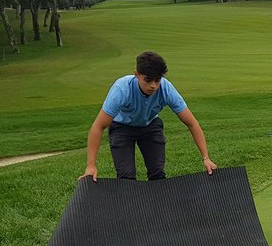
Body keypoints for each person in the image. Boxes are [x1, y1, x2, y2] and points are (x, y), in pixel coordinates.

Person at [81, 51, 217, 181]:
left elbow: (192, 123)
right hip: (121, 127)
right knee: (126, 177)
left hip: (150, 126)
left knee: (157, 173)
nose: (153, 86)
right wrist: (91, 166)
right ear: (137, 74)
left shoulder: (166, 89)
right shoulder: (121, 89)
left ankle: (159, 204)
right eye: (148, 80)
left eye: (157, 80)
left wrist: (206, 158)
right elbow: (98, 127)